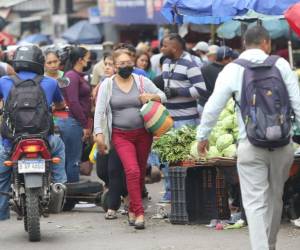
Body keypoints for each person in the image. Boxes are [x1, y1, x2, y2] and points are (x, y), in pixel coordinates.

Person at [197, 26, 300, 250]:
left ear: (244, 44)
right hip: (282, 145)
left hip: (250, 145)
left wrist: (202, 136)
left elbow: (213, 106)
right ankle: (270, 244)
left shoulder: (233, 69)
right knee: (275, 197)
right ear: (267, 43)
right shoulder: (281, 65)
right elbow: (298, 102)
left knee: (254, 202)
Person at [94, 49, 166, 229]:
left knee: (140, 172)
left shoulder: (142, 81)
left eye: (128, 62)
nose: (126, 66)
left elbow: (163, 96)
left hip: (143, 134)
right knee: (132, 171)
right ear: (114, 65)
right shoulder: (107, 85)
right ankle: (139, 213)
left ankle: (133, 208)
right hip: (120, 135)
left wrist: (152, 96)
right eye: (121, 63)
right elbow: (100, 111)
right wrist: (98, 133)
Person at [0, 45, 67, 220]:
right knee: (59, 147)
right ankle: (59, 186)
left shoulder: (5, 81)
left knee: (2, 173)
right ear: (39, 62)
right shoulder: (50, 82)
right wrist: (57, 107)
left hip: (12, 141)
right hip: (43, 139)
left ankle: (1, 211)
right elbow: (60, 105)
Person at [160, 33, 208, 202]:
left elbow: (201, 90)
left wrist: (177, 92)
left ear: (174, 48)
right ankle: (170, 191)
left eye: (164, 46)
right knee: (167, 158)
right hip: (168, 120)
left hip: (186, 120)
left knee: (186, 160)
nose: (161, 48)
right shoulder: (165, 63)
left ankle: (188, 192)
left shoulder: (190, 64)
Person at [55, 47, 92, 184]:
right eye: (87, 57)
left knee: (71, 158)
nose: (89, 60)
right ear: (80, 60)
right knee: (73, 160)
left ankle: (67, 193)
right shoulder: (71, 76)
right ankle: (71, 194)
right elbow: (73, 101)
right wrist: (84, 123)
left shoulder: (74, 75)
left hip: (73, 121)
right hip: (72, 122)